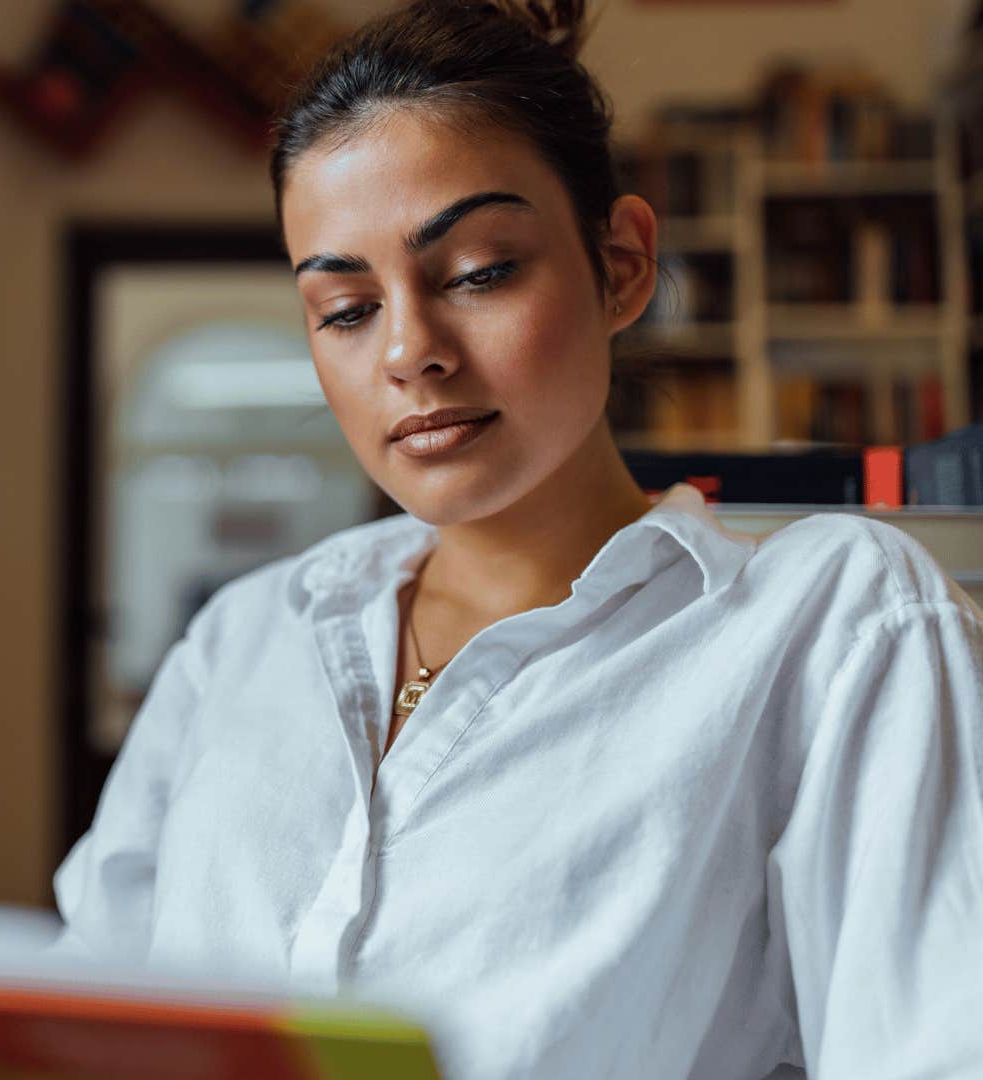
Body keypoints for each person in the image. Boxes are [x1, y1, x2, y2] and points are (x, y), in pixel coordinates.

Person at [48, 2, 983, 1077]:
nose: (410, 352)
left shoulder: (833, 628)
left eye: (480, 270)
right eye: (345, 308)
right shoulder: (239, 641)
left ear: (623, 263)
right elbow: (83, 1012)